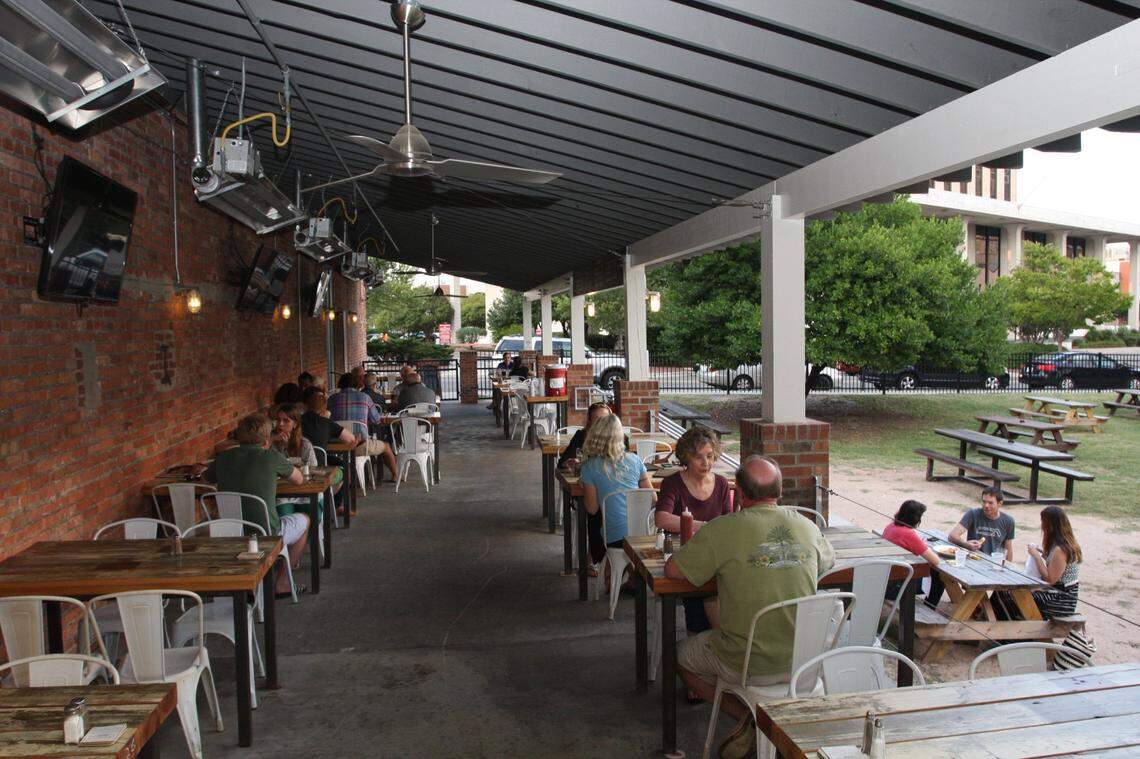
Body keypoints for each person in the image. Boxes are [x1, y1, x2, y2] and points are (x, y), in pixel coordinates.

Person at [665, 455, 835, 758]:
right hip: (806, 659)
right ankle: (765, 722)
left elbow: (674, 572)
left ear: (739, 494)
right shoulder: (807, 528)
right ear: (780, 492)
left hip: (746, 662)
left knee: (678, 655)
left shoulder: (722, 530)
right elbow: (827, 563)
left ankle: (753, 721)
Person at [205, 413, 308, 596]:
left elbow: (207, 477)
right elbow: (299, 480)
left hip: (229, 531)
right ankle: (282, 583)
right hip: (266, 532)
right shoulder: (272, 457)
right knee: (305, 520)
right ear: (267, 438)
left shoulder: (223, 458)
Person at [655, 427, 732, 636]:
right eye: (698, 457)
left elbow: (729, 523)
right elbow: (661, 518)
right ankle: (703, 639)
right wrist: (705, 526)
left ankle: (721, 639)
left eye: (710, 456)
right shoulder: (673, 483)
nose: (706, 463)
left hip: (716, 554)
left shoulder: (722, 484)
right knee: (698, 588)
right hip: (686, 554)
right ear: (686, 457)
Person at [579, 414, 652, 567]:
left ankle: (609, 571)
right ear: (621, 436)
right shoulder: (634, 460)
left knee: (596, 523)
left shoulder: (589, 467)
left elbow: (592, 509)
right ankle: (630, 577)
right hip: (644, 533)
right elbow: (653, 499)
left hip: (613, 538)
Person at [928, 487, 1015, 607]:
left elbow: (1008, 547)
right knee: (940, 572)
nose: (986, 506)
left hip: (991, 564)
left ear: (1000, 504)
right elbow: (953, 535)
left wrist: (1008, 567)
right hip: (971, 561)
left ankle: (985, 610)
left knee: (1005, 588)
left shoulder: (1008, 521)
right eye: (984, 501)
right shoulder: (973, 514)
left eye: (990, 503)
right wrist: (966, 544)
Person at [997, 506, 1082, 620]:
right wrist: (1042, 554)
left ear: (1051, 525)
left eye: (1043, 522)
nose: (1041, 525)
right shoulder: (1057, 544)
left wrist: (1036, 556)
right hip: (1053, 593)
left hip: (1059, 600)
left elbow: (1050, 580)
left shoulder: (1061, 549)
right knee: (1003, 592)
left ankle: (1005, 629)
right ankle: (999, 624)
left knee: (1009, 596)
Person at [329, 373, 397, 484]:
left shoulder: (331, 399)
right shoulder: (365, 397)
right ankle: (395, 475)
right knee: (387, 447)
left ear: (340, 383)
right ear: (358, 384)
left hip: (337, 447)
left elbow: (328, 419)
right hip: (361, 445)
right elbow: (376, 420)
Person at [882, 499, 942, 601]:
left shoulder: (891, 526)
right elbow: (936, 561)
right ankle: (929, 610)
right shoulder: (908, 533)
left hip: (885, 579)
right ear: (916, 519)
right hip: (894, 587)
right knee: (939, 578)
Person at [557, 402, 616, 470]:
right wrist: (571, 462)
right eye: (597, 418)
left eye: (605, 418)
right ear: (589, 421)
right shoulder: (581, 435)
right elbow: (562, 463)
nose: (601, 422)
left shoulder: (619, 439)